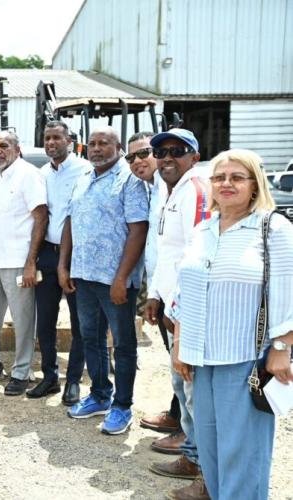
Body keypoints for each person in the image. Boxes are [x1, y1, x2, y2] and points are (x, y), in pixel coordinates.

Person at [170, 149, 293, 499]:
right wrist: (180, 343)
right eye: (220, 177)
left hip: (246, 358)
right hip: (200, 359)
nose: (227, 184)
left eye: (237, 177)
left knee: (243, 457)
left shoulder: (274, 228)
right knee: (211, 453)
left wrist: (282, 347)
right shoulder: (203, 229)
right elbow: (185, 291)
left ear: (254, 185)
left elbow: (289, 289)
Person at [59, 126, 148, 435]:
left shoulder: (130, 181)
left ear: (118, 147)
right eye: (92, 144)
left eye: (104, 143)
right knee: (90, 338)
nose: (96, 148)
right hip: (83, 276)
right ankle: (99, 394)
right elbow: (70, 221)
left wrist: (122, 277)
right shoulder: (83, 179)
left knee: (123, 344)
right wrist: (63, 265)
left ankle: (122, 406)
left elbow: (138, 230)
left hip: (115, 281)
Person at [141, 129, 211, 497]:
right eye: (160, 151)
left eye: (176, 151)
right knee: (183, 387)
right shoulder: (170, 191)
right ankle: (194, 455)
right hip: (171, 305)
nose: (166, 157)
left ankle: (199, 463)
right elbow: (168, 253)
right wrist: (156, 295)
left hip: (187, 312)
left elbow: (197, 257)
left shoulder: (196, 190)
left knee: (193, 389)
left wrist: (178, 310)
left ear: (194, 156)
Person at [0, 131, 48, 396]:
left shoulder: (29, 174)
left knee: (23, 319)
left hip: (18, 260)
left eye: (3, 145)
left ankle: (21, 372)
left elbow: (41, 217)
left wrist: (31, 262)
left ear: (17, 149)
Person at [126, 132, 183, 448]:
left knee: (184, 361)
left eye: (145, 153)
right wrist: (154, 294)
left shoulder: (178, 189)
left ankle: (188, 435)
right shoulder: (153, 190)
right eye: (131, 157)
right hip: (162, 290)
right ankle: (178, 415)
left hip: (180, 295)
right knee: (174, 358)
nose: (138, 161)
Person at [28, 121, 90, 405]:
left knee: (79, 323)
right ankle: (50, 376)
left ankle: (73, 380)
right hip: (48, 254)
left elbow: (74, 218)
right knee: (46, 320)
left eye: (56, 138)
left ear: (70, 141)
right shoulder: (42, 174)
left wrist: (66, 262)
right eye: (47, 138)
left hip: (76, 256)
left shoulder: (85, 170)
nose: (51, 143)